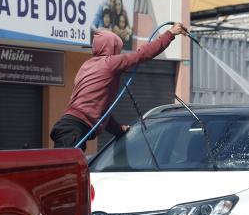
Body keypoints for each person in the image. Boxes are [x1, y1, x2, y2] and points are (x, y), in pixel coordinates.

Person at [50, 23, 188, 151]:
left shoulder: (86, 66)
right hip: (73, 131)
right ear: (111, 47)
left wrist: (119, 130)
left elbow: (100, 113)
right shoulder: (110, 63)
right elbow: (143, 54)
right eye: (117, 48)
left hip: (68, 127)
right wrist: (170, 34)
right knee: (67, 176)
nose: (118, 52)